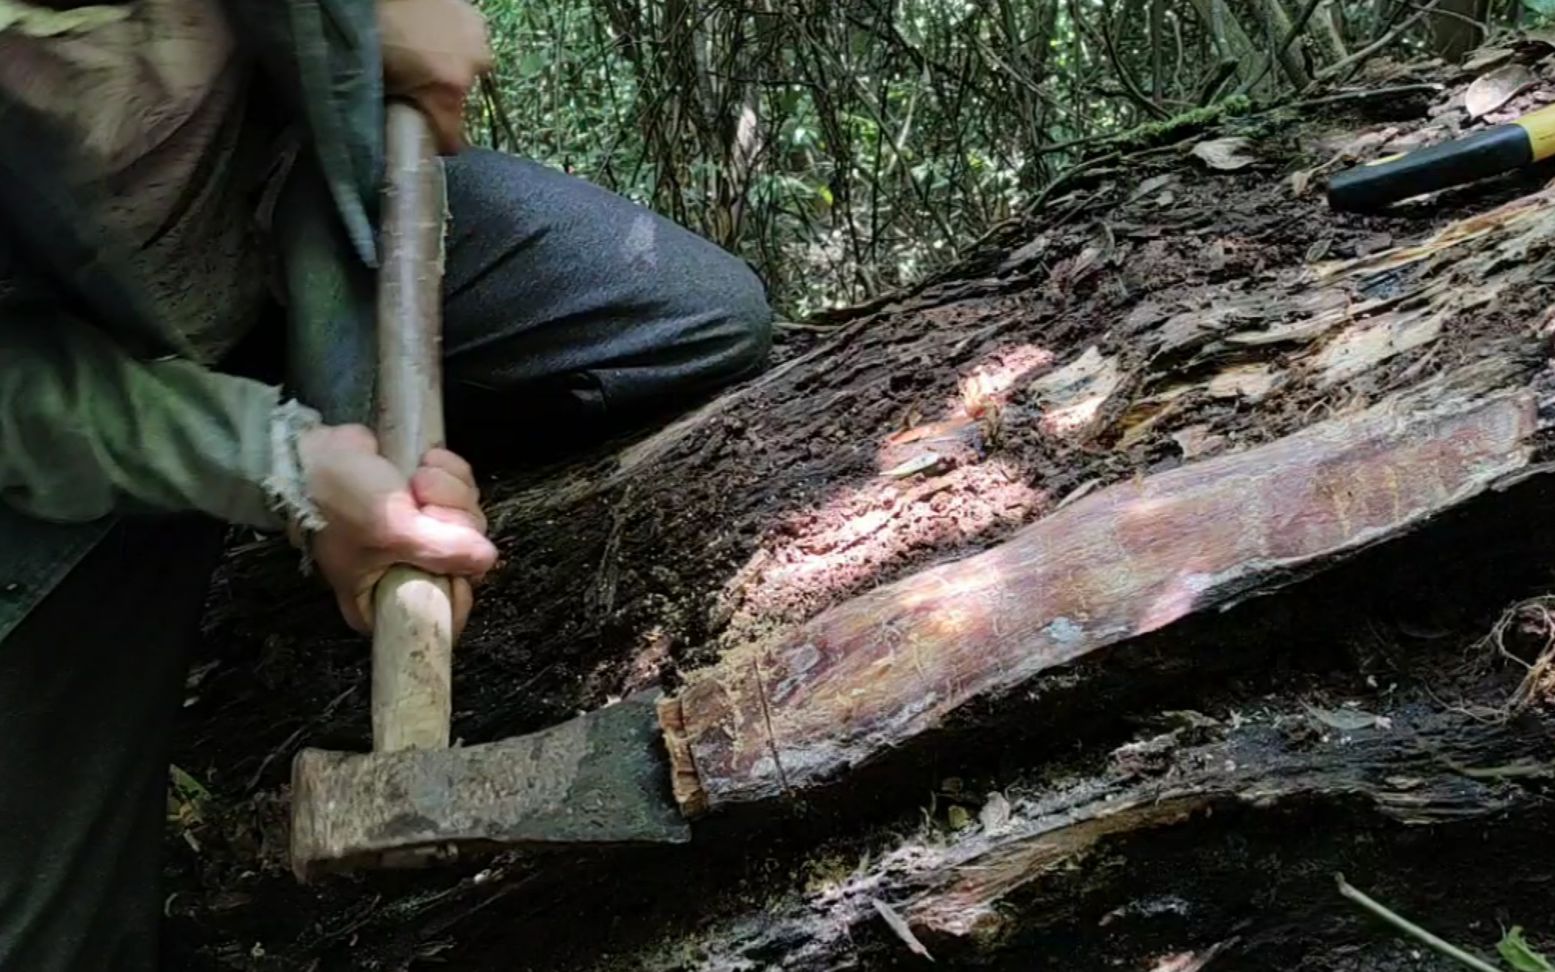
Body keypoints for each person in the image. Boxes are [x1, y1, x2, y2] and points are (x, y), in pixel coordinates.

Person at [0, 0, 773, 968]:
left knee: (704, 322)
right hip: (65, 428)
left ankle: (387, 491)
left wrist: (365, 26)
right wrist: (273, 464)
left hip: (304, 236)